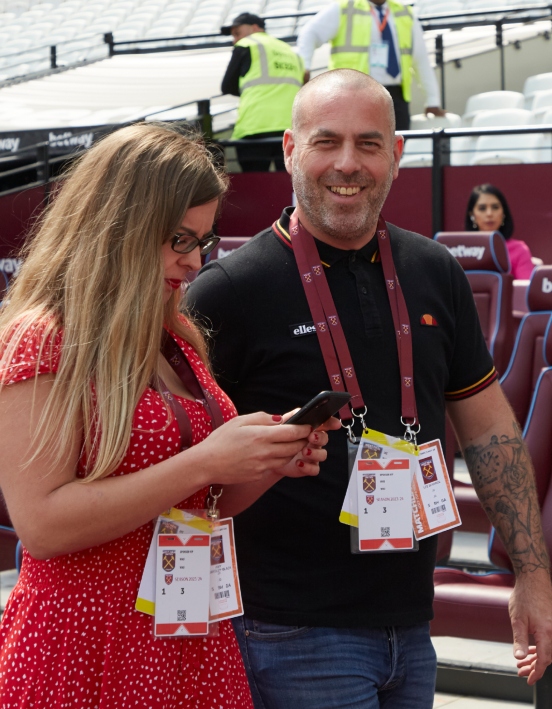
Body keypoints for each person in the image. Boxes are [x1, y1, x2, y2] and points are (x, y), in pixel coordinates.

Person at [188, 70, 552, 708]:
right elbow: (181, 465)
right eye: (326, 142)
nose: (348, 164)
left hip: (411, 626)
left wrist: (533, 573)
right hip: (288, 631)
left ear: (398, 154)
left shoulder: (435, 272)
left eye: (369, 143)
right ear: (290, 149)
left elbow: (490, 431)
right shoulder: (228, 291)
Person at [0, 123, 336, 708]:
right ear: (119, 227)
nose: (194, 261)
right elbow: (42, 525)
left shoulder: (175, 337)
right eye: (179, 239)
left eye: (203, 241)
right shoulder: (45, 337)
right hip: (87, 644)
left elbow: (201, 500)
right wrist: (207, 460)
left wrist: (264, 462)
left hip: (188, 637)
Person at [296, 0, 445, 130]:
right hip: (353, 94)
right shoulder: (344, 8)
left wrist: (433, 100)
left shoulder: (405, 13)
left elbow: (421, 60)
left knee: (395, 146)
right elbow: (309, 33)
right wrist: (305, 66)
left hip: (396, 96)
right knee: (360, 144)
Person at [220, 12, 304, 172]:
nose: (235, 39)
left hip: (254, 128)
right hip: (290, 129)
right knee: (289, 182)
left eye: (237, 33)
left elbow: (227, 86)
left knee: (256, 184)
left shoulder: (247, 44)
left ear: (254, 28)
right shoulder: (292, 51)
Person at [465, 183, 535, 280]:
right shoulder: (463, 250)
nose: (489, 214)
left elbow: (525, 288)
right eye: (482, 208)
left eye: (495, 207)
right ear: (472, 215)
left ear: (503, 213)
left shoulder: (519, 249)